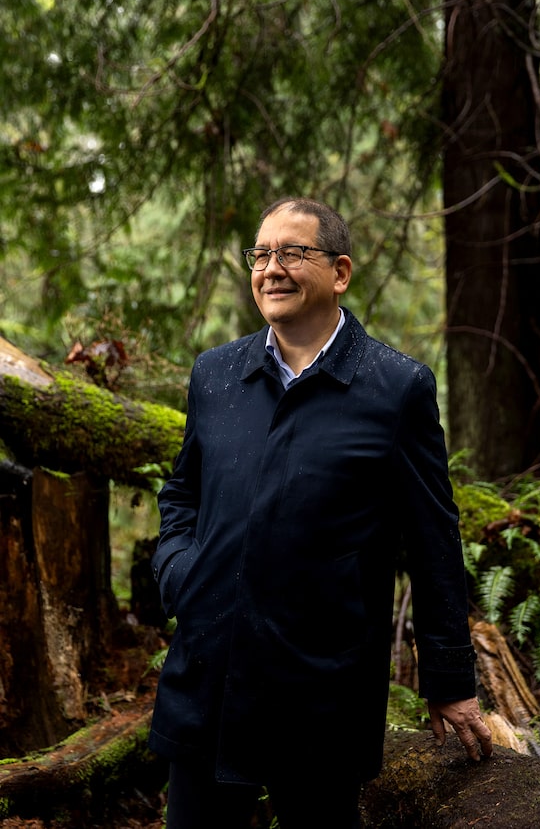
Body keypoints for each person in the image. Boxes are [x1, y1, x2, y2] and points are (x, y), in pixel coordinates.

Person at [149, 197, 493, 829]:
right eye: (261, 254)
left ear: (340, 272)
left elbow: (433, 541)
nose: (271, 269)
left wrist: (450, 678)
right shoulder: (216, 374)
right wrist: (179, 572)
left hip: (321, 690)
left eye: (292, 253)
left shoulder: (396, 389)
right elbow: (182, 495)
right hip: (208, 676)